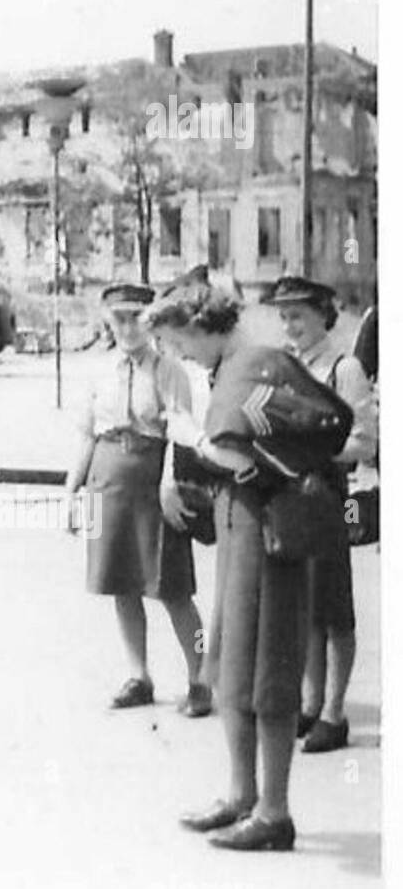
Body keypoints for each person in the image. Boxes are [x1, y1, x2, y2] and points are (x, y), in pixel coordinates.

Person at [149, 278, 352, 851]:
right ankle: (242, 796)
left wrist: (192, 437)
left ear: (199, 326)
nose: (178, 354)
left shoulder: (248, 363)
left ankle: (273, 812)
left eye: (178, 341)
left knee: (267, 670)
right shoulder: (246, 363)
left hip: (267, 536)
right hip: (246, 527)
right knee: (234, 665)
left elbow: (236, 449)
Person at [64, 283, 210, 716]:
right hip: (107, 482)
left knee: (172, 589)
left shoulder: (170, 372)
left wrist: (169, 486)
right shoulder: (97, 371)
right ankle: (138, 675)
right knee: (120, 584)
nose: (128, 327)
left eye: (136, 318)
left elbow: (178, 435)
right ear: (108, 321)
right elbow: (87, 435)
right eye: (119, 318)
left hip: (154, 483)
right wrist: (72, 492)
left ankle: (200, 679)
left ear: (151, 322)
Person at [263, 276, 377, 755]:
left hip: (328, 494)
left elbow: (364, 442)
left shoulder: (343, 368)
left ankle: (334, 711)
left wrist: (316, 454)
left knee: (333, 606)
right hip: (289, 491)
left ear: (322, 316)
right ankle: (309, 704)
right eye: (284, 317)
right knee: (303, 602)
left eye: (299, 317)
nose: (291, 326)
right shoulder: (284, 366)